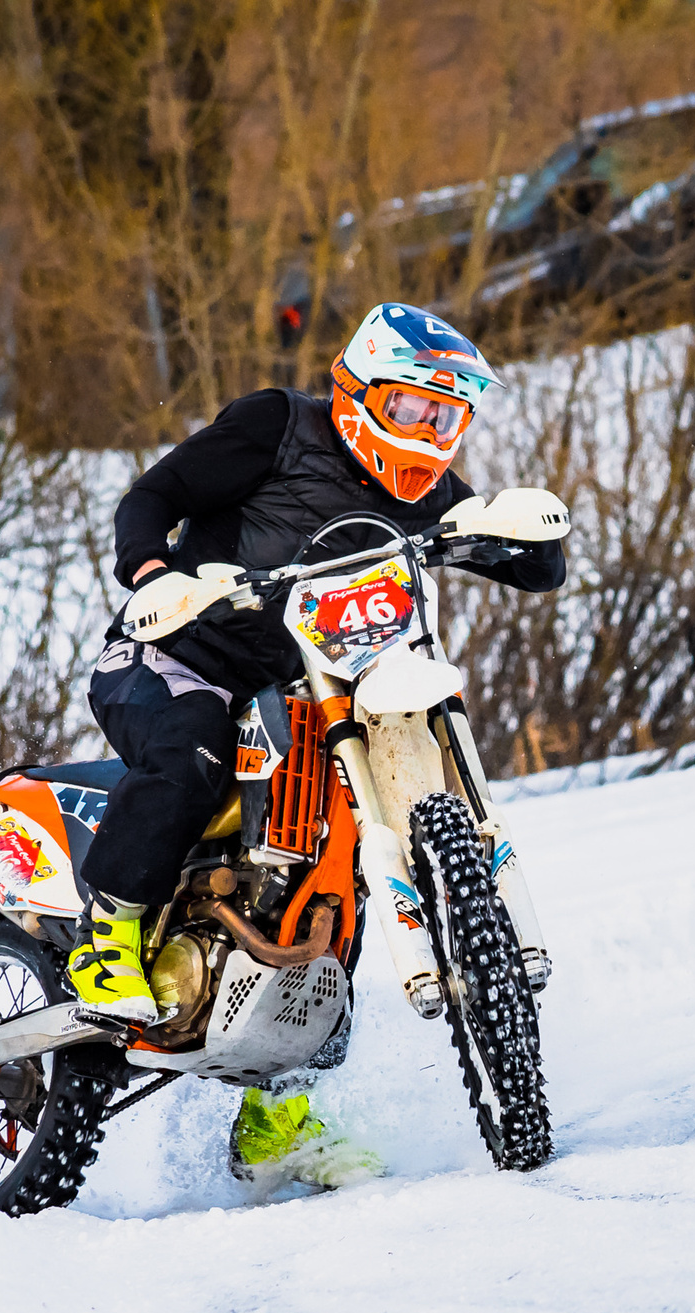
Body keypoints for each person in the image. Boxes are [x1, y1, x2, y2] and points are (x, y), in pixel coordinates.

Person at [68, 303, 565, 1019]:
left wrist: (527, 535)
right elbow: (155, 495)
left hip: (305, 698)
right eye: (412, 408)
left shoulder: (423, 494)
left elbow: (533, 569)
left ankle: (283, 1101)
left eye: (446, 419)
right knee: (191, 754)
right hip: (176, 659)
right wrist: (154, 573)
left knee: (338, 853)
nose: (429, 434)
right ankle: (105, 935)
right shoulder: (278, 426)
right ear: (360, 387)